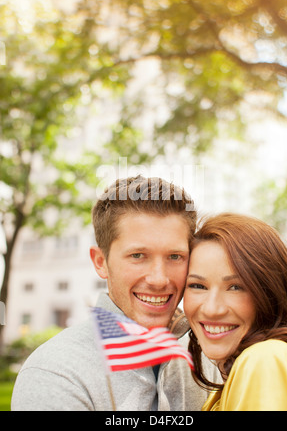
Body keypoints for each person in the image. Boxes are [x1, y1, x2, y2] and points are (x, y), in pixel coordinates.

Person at [11, 176, 219, 411]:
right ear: (100, 262)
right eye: (138, 256)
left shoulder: (208, 361)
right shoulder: (55, 374)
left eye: (175, 256)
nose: (159, 279)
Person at [184, 212, 287, 411]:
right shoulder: (236, 374)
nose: (212, 309)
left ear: (270, 292)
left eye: (236, 287)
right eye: (198, 286)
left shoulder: (265, 360)